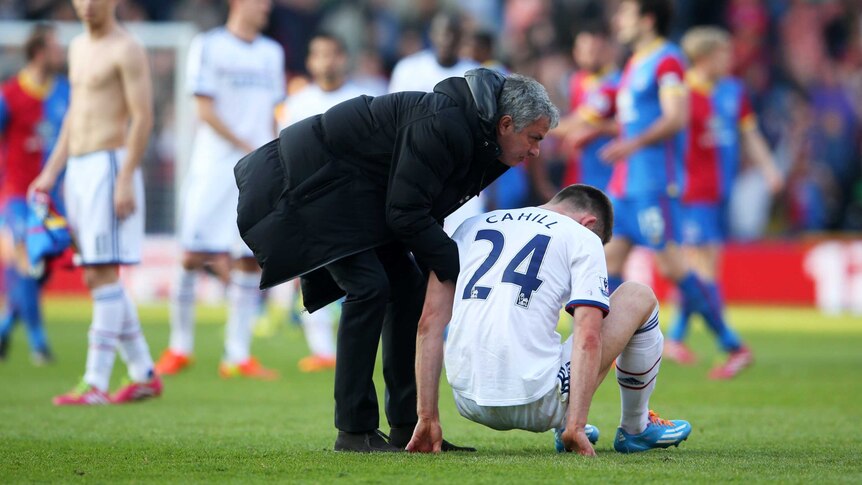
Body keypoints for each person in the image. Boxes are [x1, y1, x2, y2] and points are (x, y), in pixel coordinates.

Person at [235, 68, 559, 452]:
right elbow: (405, 212)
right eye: (534, 138)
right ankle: (354, 432)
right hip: (304, 188)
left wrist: (439, 271)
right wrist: (457, 269)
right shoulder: (448, 125)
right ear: (506, 124)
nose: (536, 150)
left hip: (350, 195)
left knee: (408, 289)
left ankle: (410, 427)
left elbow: (423, 203)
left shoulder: (482, 137)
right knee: (369, 287)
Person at [406, 185, 691, 455]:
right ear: (589, 223)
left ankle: (565, 419)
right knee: (637, 295)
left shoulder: (469, 227)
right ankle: (635, 427)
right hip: (539, 401)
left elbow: (428, 324)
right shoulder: (583, 237)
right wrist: (576, 426)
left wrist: (427, 416)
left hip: (467, 399)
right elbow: (588, 336)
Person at [29, 0, 160, 405]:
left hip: (109, 163)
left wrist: (124, 177)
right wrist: (52, 172)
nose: (85, 5)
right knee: (93, 273)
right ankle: (143, 374)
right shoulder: (77, 47)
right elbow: (74, 115)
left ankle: (96, 382)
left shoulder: (127, 48)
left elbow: (143, 116)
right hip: (81, 169)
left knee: (102, 272)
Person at [154, 0, 284, 380]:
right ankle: (179, 347)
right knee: (192, 254)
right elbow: (204, 109)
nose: (266, 7)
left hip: (256, 171)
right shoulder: (208, 45)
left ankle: (237, 354)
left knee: (248, 258)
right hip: (214, 167)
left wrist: (272, 154)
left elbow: (272, 113)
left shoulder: (271, 53)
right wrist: (247, 145)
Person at [599, 0, 732, 364]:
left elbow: (677, 117)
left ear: (647, 19)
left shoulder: (668, 60)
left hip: (653, 182)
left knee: (673, 266)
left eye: (625, 13)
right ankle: (608, 347)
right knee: (608, 261)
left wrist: (632, 143)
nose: (618, 20)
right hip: (625, 184)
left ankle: (731, 344)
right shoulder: (633, 62)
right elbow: (633, 121)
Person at [664, 27, 783, 378]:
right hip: (690, 192)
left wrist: (769, 169)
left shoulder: (733, 91)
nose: (729, 61)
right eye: (723, 54)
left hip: (720, 192)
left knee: (699, 269)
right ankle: (727, 344)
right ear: (704, 57)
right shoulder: (680, 92)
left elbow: (749, 134)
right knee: (703, 266)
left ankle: (677, 339)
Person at [276, 32, 375, 373]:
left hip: (354, 198)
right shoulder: (296, 103)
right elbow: (283, 154)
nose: (327, 61)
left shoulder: (363, 99)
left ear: (343, 58)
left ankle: (355, 344)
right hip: (310, 200)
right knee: (312, 274)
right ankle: (321, 349)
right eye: (319, 55)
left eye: (332, 54)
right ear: (309, 61)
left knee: (362, 276)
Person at [0, 23, 68, 365]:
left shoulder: (64, 92)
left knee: (43, 268)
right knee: (27, 262)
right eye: (56, 47)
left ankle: (4, 325)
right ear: (40, 52)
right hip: (15, 196)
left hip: (52, 198)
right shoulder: (9, 96)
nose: (62, 53)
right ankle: (39, 344)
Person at [388, 10, 482, 234]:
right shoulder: (408, 69)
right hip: (417, 165)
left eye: (453, 33)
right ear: (431, 34)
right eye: (442, 33)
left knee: (466, 234)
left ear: (462, 37)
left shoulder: (478, 74)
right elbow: (395, 119)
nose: (447, 39)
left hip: (461, 171)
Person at [553, 22, 619, 191]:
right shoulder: (578, 80)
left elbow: (576, 124)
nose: (589, 55)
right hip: (579, 169)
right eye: (583, 50)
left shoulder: (611, 85)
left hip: (605, 172)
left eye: (594, 50)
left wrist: (535, 124)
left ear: (606, 49)